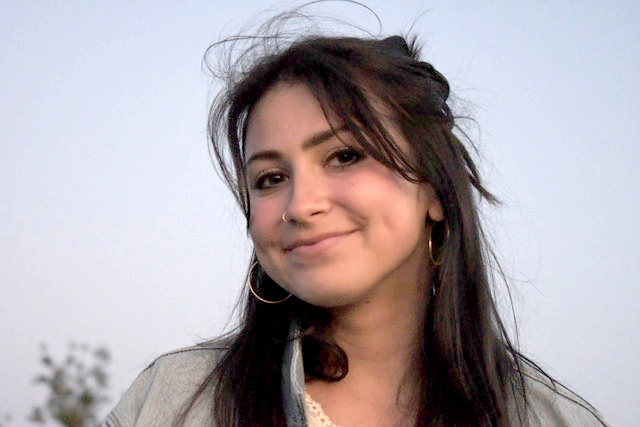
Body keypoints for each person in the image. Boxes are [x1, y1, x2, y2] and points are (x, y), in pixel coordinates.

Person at [103, 9, 609, 427]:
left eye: (344, 156)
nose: (300, 205)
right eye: (270, 178)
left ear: (435, 189)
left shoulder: (551, 418)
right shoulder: (170, 404)